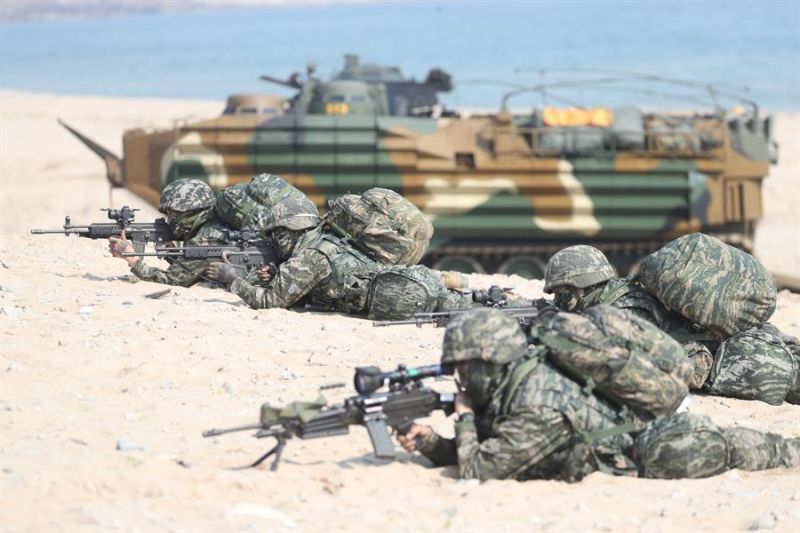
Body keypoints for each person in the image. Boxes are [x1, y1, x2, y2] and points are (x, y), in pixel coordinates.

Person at [397, 309, 800, 482]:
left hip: (653, 450)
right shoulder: (515, 385)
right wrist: (434, 445)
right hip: (630, 438)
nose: (459, 377)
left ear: (490, 361)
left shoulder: (536, 403)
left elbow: (479, 469)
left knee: (753, 451)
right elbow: (498, 448)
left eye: (465, 367)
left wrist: (464, 416)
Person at [543, 245, 715, 388]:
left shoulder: (624, 310)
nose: (558, 299)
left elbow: (613, 359)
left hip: (692, 361)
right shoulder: (605, 295)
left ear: (581, 287)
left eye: (560, 292)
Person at [108, 178, 234, 287]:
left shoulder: (206, 239)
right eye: (169, 214)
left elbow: (172, 280)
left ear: (194, 212)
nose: (171, 220)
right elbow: (193, 271)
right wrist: (173, 256)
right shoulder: (211, 228)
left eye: (175, 214)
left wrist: (132, 259)